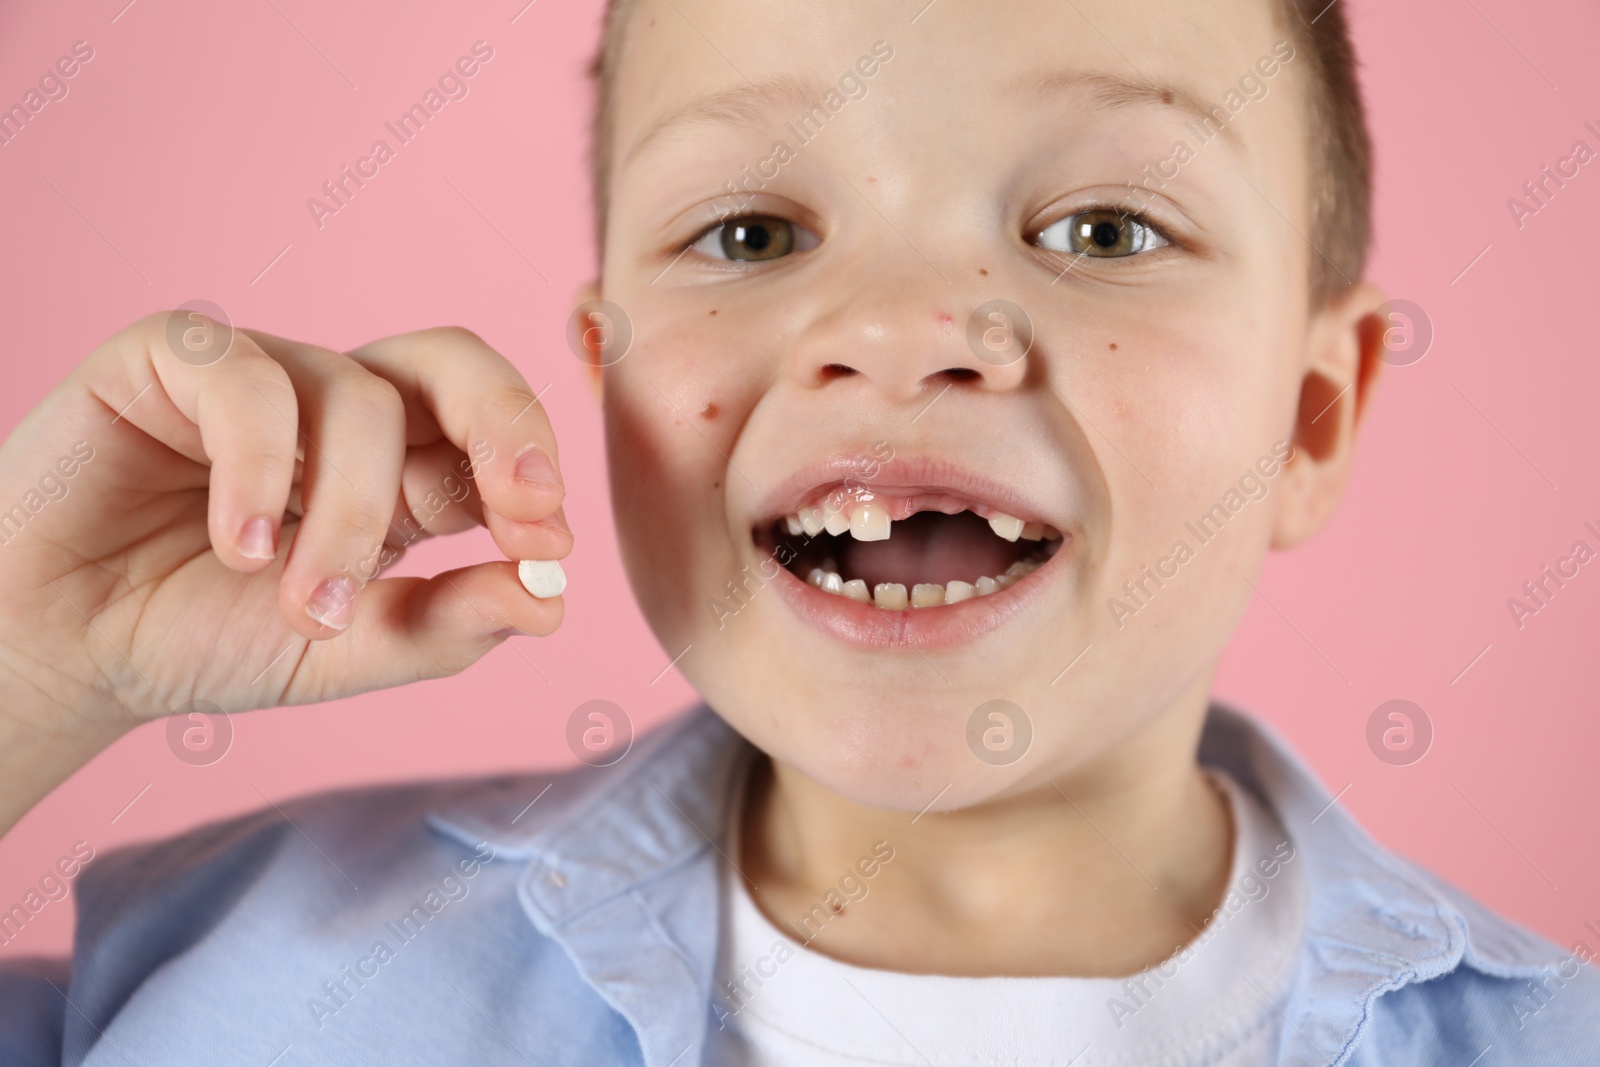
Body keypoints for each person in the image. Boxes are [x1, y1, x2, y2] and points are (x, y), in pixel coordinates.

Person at [1, 0, 1596, 1063]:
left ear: (1312, 419)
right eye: (751, 231)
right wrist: (25, 661)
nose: (904, 329)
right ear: (607, 376)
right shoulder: (238, 974)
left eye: (1107, 230)